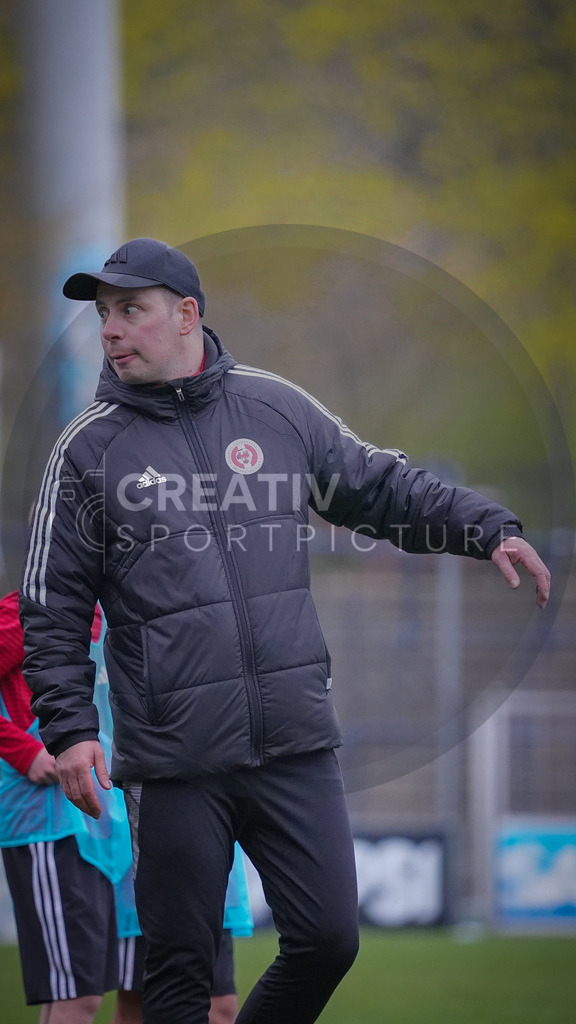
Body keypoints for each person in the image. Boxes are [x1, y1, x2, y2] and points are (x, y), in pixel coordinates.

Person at [19, 238, 551, 1024]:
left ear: (187, 315)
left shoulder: (275, 407)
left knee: (329, 939)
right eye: (103, 315)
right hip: (175, 762)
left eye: (130, 310)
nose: (111, 330)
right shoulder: (86, 450)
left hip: (294, 743)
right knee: (177, 976)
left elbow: (381, 487)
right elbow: (50, 608)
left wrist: (485, 528)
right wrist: (68, 728)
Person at [1, 588, 251, 1024]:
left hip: (131, 817)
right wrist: (21, 750)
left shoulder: (146, 606)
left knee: (144, 993)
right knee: (80, 997)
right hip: (52, 817)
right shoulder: (34, 606)